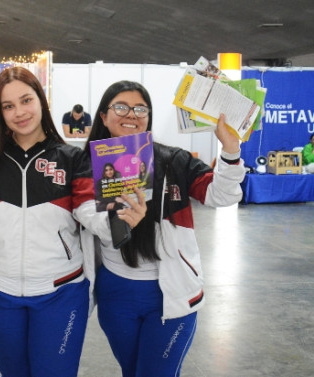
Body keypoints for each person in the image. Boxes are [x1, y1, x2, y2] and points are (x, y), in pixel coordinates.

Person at [83, 80, 245, 377]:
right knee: (132, 371)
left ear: (148, 117)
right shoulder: (87, 168)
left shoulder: (174, 161)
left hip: (171, 294)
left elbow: (221, 195)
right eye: (120, 107)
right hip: (115, 292)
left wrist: (230, 150)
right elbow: (84, 217)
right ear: (104, 117)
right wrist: (116, 221)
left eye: (140, 109)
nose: (131, 114)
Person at [0, 66, 107, 377]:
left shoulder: (73, 159)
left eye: (26, 100)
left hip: (61, 294)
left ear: (41, 101)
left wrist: (121, 218)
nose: (19, 112)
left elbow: (94, 217)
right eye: (8, 106)